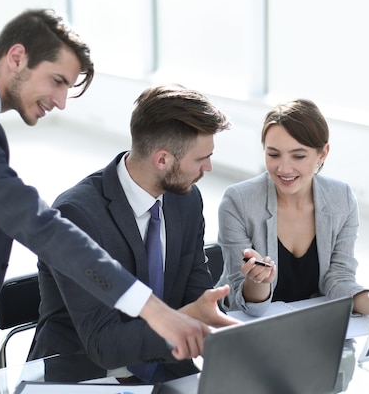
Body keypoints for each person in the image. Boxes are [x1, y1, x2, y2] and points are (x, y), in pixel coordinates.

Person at [0, 9, 214, 394]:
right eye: (57, 81)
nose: (61, 101)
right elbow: (40, 226)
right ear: (17, 57)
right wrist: (153, 310)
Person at [27, 84, 238, 384]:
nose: (209, 167)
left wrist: (210, 315)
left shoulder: (186, 200)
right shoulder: (77, 214)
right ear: (162, 160)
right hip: (86, 374)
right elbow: (103, 343)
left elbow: (196, 294)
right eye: (201, 158)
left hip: (167, 367)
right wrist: (182, 321)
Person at [216, 98, 369, 317]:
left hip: (311, 321)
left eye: (298, 156)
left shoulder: (341, 198)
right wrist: (258, 281)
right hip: (245, 321)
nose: (284, 168)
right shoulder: (238, 201)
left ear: (322, 154)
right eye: (273, 154)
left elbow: (339, 280)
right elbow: (246, 303)